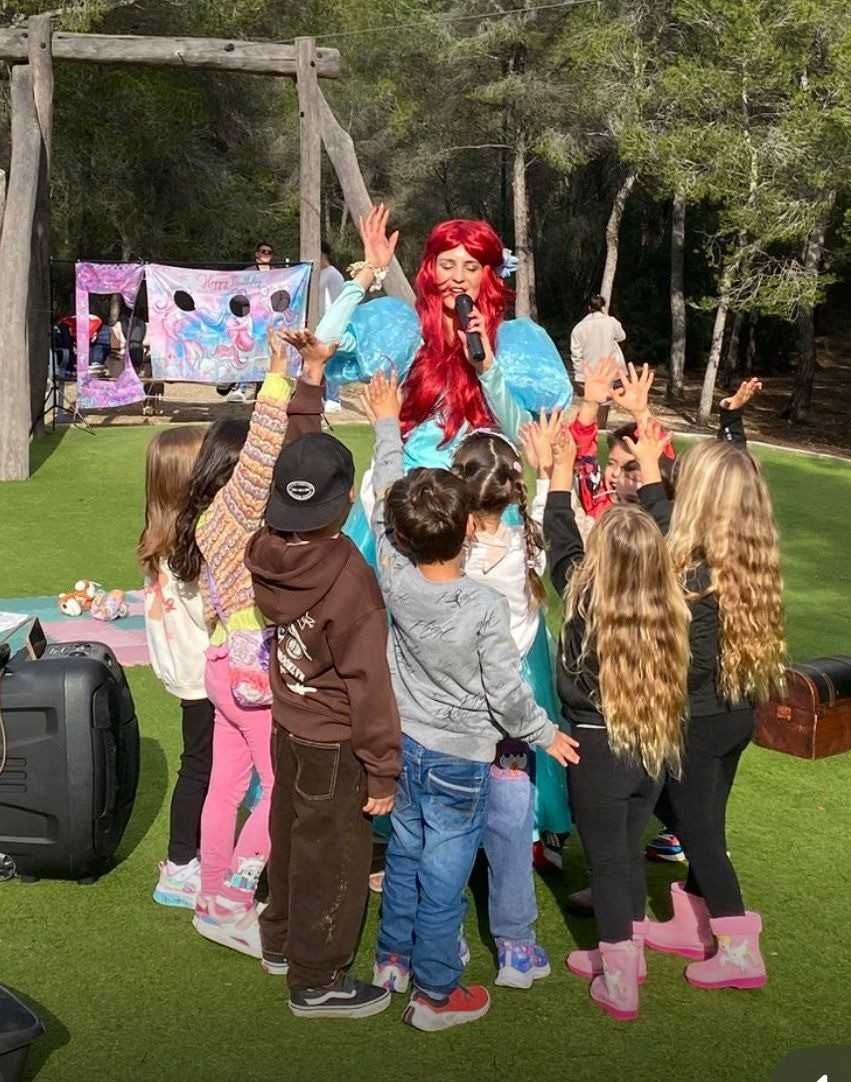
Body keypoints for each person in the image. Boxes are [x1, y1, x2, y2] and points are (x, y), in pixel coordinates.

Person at [362, 370, 579, 1032]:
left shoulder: (395, 574)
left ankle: (392, 958)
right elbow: (506, 692)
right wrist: (545, 733)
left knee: (407, 851)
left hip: (411, 745)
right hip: (473, 751)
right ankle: (439, 985)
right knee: (452, 862)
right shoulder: (499, 587)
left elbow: (380, 507)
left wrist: (385, 429)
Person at [246, 334, 401, 1019]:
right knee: (334, 858)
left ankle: (279, 940)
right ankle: (317, 978)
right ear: (343, 508)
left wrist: (310, 388)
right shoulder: (350, 578)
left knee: (289, 833)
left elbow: (298, 465)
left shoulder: (267, 545)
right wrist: (384, 771)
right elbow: (370, 684)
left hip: (289, 722)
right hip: (337, 742)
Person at [169, 327, 323, 958]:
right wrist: (280, 374)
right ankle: (234, 899)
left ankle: (208, 897)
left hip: (219, 668)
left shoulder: (205, 518)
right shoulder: (237, 509)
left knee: (226, 787)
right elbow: (263, 448)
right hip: (253, 673)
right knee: (279, 784)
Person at [629, 377, 783, 992]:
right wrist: (727, 425)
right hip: (734, 714)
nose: (675, 489)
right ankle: (692, 922)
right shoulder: (744, 547)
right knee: (704, 822)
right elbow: (725, 480)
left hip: (697, 719)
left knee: (694, 830)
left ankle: (740, 949)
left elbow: (689, 662)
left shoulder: (695, 569)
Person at [316, 205, 571, 566]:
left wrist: (486, 367)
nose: (457, 277)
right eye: (447, 265)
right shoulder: (405, 330)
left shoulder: (511, 342)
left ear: (488, 275)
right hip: (412, 513)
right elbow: (323, 342)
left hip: (480, 515)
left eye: (470, 267)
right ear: (431, 270)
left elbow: (522, 435)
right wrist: (369, 270)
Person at [543, 425, 690, 1022]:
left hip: (598, 749)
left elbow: (558, 539)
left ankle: (620, 976)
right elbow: (670, 528)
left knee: (605, 861)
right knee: (625, 849)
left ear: (597, 558)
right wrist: (653, 471)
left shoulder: (583, 599)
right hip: (651, 745)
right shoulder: (673, 601)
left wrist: (557, 467)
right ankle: (627, 949)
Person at [450, 425, 569, 986]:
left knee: (446, 823)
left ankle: (444, 936)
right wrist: (549, 469)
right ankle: (517, 948)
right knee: (514, 818)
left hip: (453, 708)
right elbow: (548, 513)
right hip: (513, 711)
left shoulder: (442, 553)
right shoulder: (531, 544)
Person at [138, 427, 213, 909]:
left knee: (204, 764)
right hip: (203, 671)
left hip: (184, 668)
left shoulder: (157, 536)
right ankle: (182, 863)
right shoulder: (188, 550)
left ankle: (193, 853)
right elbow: (210, 611)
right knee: (201, 766)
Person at [218, 242, 278, 402]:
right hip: (249, 321)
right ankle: (241, 387)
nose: (266, 254)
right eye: (263, 251)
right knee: (246, 353)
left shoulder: (279, 274)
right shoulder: (247, 273)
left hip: (269, 322)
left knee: (266, 357)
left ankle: (263, 391)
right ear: (257, 254)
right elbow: (237, 295)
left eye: (269, 252)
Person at [569, 294, 625, 428]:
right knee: (605, 402)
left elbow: (576, 354)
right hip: (608, 367)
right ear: (603, 307)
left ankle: (586, 430)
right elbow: (622, 336)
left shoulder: (579, 328)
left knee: (589, 401)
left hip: (589, 370)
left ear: (588, 308)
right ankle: (601, 428)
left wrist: (579, 374)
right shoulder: (611, 322)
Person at [319, 242, 346, 414]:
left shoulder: (333, 275)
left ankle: (334, 397)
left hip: (330, 322)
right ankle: (321, 394)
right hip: (318, 322)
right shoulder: (318, 274)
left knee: (331, 360)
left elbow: (338, 301)